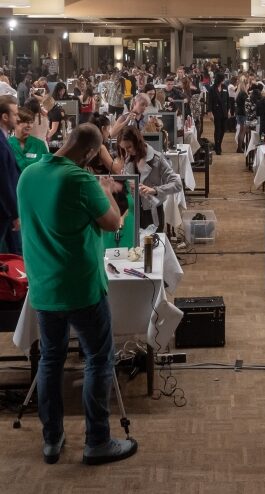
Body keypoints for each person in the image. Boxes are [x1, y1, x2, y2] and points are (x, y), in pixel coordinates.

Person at [17, 123, 138, 465]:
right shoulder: (81, 180)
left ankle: (52, 439)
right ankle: (97, 441)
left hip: (43, 287)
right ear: (88, 154)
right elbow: (114, 223)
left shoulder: (28, 175)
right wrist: (103, 189)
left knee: (51, 361)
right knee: (98, 359)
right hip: (82, 287)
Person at [117, 126, 182, 232]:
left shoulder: (157, 159)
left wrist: (155, 190)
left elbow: (177, 184)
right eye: (123, 148)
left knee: (152, 246)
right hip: (133, 211)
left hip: (152, 213)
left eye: (128, 147)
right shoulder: (128, 160)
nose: (126, 152)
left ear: (137, 142)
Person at [0, 95, 20, 254]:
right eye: (15, 114)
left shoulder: (4, 138)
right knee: (16, 253)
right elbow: (4, 181)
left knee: (15, 253)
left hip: (6, 210)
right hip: (5, 211)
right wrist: (15, 213)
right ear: (5, 117)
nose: (18, 117)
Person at [8, 107, 48, 172]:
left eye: (31, 122)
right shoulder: (7, 145)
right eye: (26, 122)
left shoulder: (39, 145)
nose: (29, 125)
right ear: (15, 123)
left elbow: (47, 169)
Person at [207, 72, 229, 155]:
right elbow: (210, 102)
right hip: (216, 112)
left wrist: (229, 110)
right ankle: (217, 147)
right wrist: (210, 112)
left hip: (224, 111)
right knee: (217, 129)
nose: (224, 80)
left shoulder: (225, 87)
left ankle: (219, 144)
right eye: (223, 79)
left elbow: (227, 99)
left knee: (223, 129)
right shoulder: (212, 88)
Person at [235, 77, 248, 153]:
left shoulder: (239, 94)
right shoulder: (243, 94)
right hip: (243, 114)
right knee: (242, 131)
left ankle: (240, 147)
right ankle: (240, 148)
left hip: (239, 113)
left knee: (241, 131)